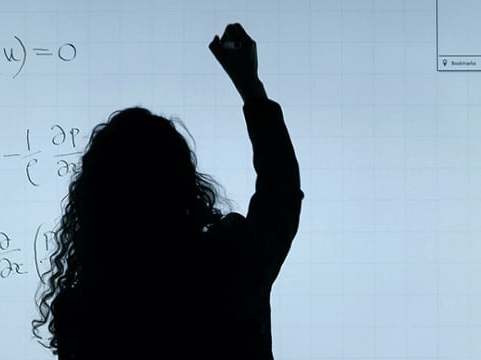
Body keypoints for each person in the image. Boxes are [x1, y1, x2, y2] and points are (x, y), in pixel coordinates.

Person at [33, 23, 303, 360]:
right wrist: (250, 86)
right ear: (185, 185)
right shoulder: (231, 262)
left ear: (94, 203)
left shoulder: (84, 314)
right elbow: (281, 191)